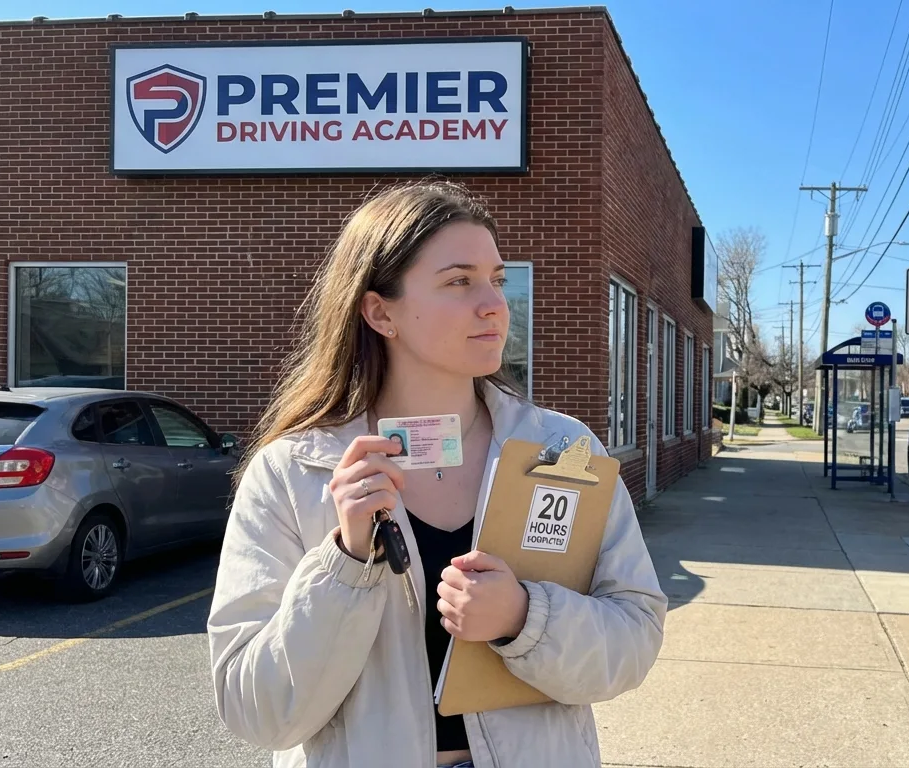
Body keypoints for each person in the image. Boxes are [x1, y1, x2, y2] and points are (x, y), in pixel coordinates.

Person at [207, 181, 667, 768]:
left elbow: (634, 636)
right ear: (380, 311)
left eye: (498, 280)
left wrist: (525, 618)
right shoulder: (293, 473)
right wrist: (345, 565)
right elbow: (257, 712)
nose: (496, 304)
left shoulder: (562, 451)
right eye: (459, 281)